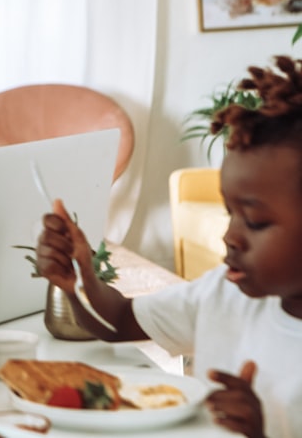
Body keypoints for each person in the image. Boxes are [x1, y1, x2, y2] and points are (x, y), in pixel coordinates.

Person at [34, 56, 302, 438]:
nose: (230, 236)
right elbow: (120, 321)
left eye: (255, 221)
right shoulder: (223, 295)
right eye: (230, 213)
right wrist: (78, 276)